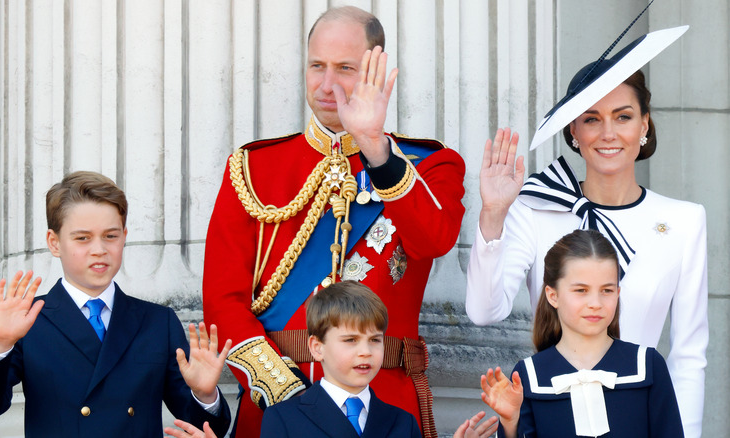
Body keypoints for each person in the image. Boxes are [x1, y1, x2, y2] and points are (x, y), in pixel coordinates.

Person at [203, 6, 465, 437]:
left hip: (383, 404)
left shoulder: (429, 165)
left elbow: (433, 240)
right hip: (276, 401)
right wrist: (284, 389)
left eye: (345, 69)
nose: (327, 85)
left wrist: (376, 150)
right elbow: (222, 299)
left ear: (375, 72)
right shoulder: (253, 168)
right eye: (317, 67)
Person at [464, 25, 706, 436]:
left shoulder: (685, 220)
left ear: (644, 124)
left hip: (641, 412)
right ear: (574, 132)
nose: (608, 133)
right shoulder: (534, 208)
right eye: (591, 119)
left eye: (623, 117)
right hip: (551, 406)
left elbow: (689, 357)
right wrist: (492, 214)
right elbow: (485, 312)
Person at [0, 171, 232, 437]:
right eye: (83, 238)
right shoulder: (28, 320)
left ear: (124, 236)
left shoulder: (158, 322)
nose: (99, 249)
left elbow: (205, 430)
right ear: (54, 243)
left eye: (110, 236)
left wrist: (205, 395)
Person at [480, 229, 684, 437]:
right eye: (581, 290)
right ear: (553, 295)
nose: (595, 304)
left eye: (607, 290)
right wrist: (511, 423)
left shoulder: (648, 366)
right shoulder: (529, 375)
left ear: (618, 293)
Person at [260, 281, 499, 438]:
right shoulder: (283, 418)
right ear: (317, 347)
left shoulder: (403, 422)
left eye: (375, 340)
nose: (365, 351)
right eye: (350, 340)